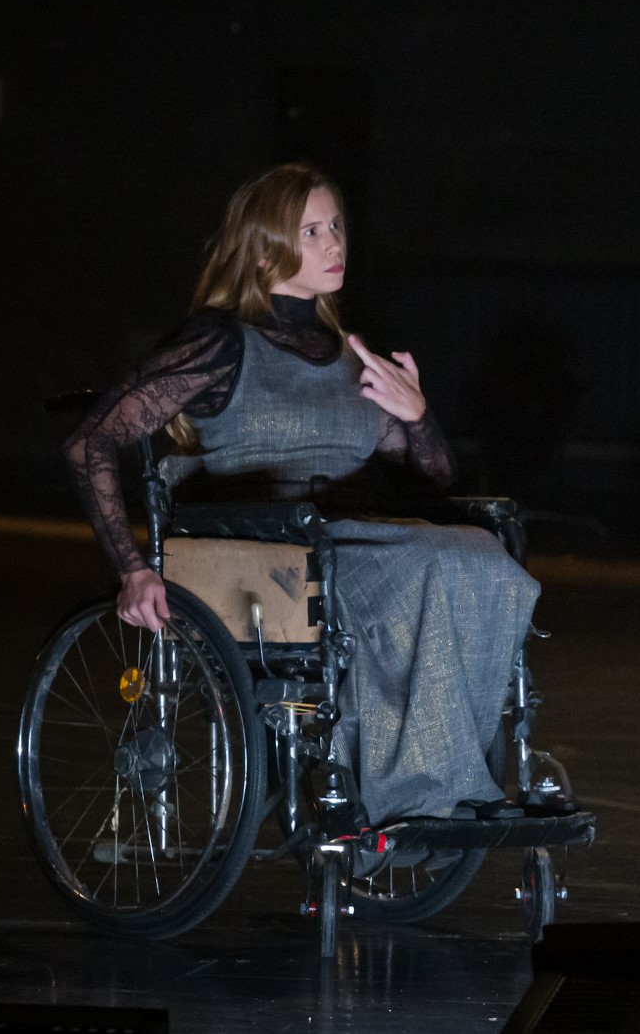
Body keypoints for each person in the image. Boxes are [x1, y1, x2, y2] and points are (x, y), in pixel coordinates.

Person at [63, 162, 542, 825]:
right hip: (267, 552)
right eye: (311, 231)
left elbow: (436, 476)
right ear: (263, 252)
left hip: (351, 540)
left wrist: (416, 413)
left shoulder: (350, 356)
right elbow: (90, 441)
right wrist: (132, 568)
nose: (333, 242)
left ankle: (433, 785)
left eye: (335, 226)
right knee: (438, 563)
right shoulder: (220, 343)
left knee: (487, 561)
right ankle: (415, 793)